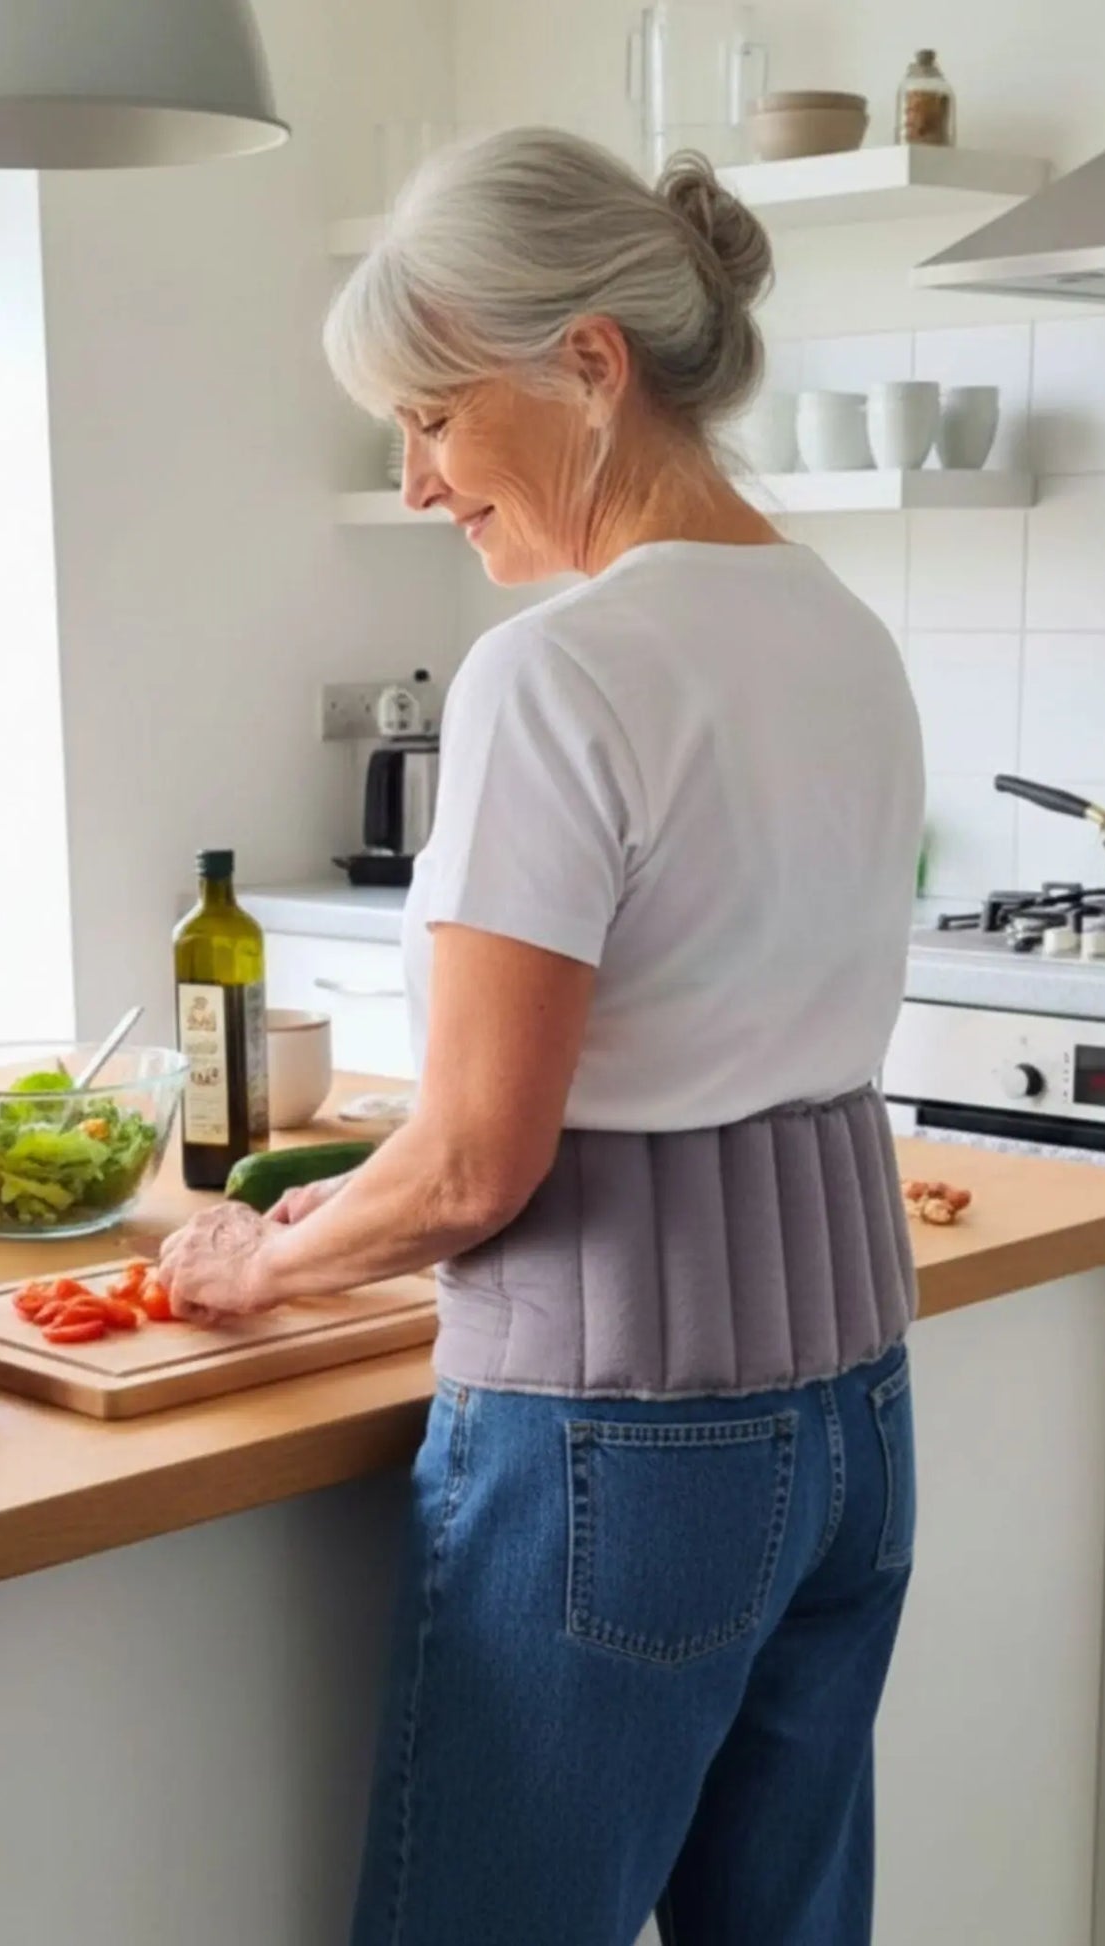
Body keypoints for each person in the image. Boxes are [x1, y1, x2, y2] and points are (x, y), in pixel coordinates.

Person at [154, 127, 926, 1946]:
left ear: (587, 362)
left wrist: (265, 1264)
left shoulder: (560, 671)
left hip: (623, 1450)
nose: (417, 482)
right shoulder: (843, 631)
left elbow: (473, 1163)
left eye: (432, 416)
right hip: (853, 1421)